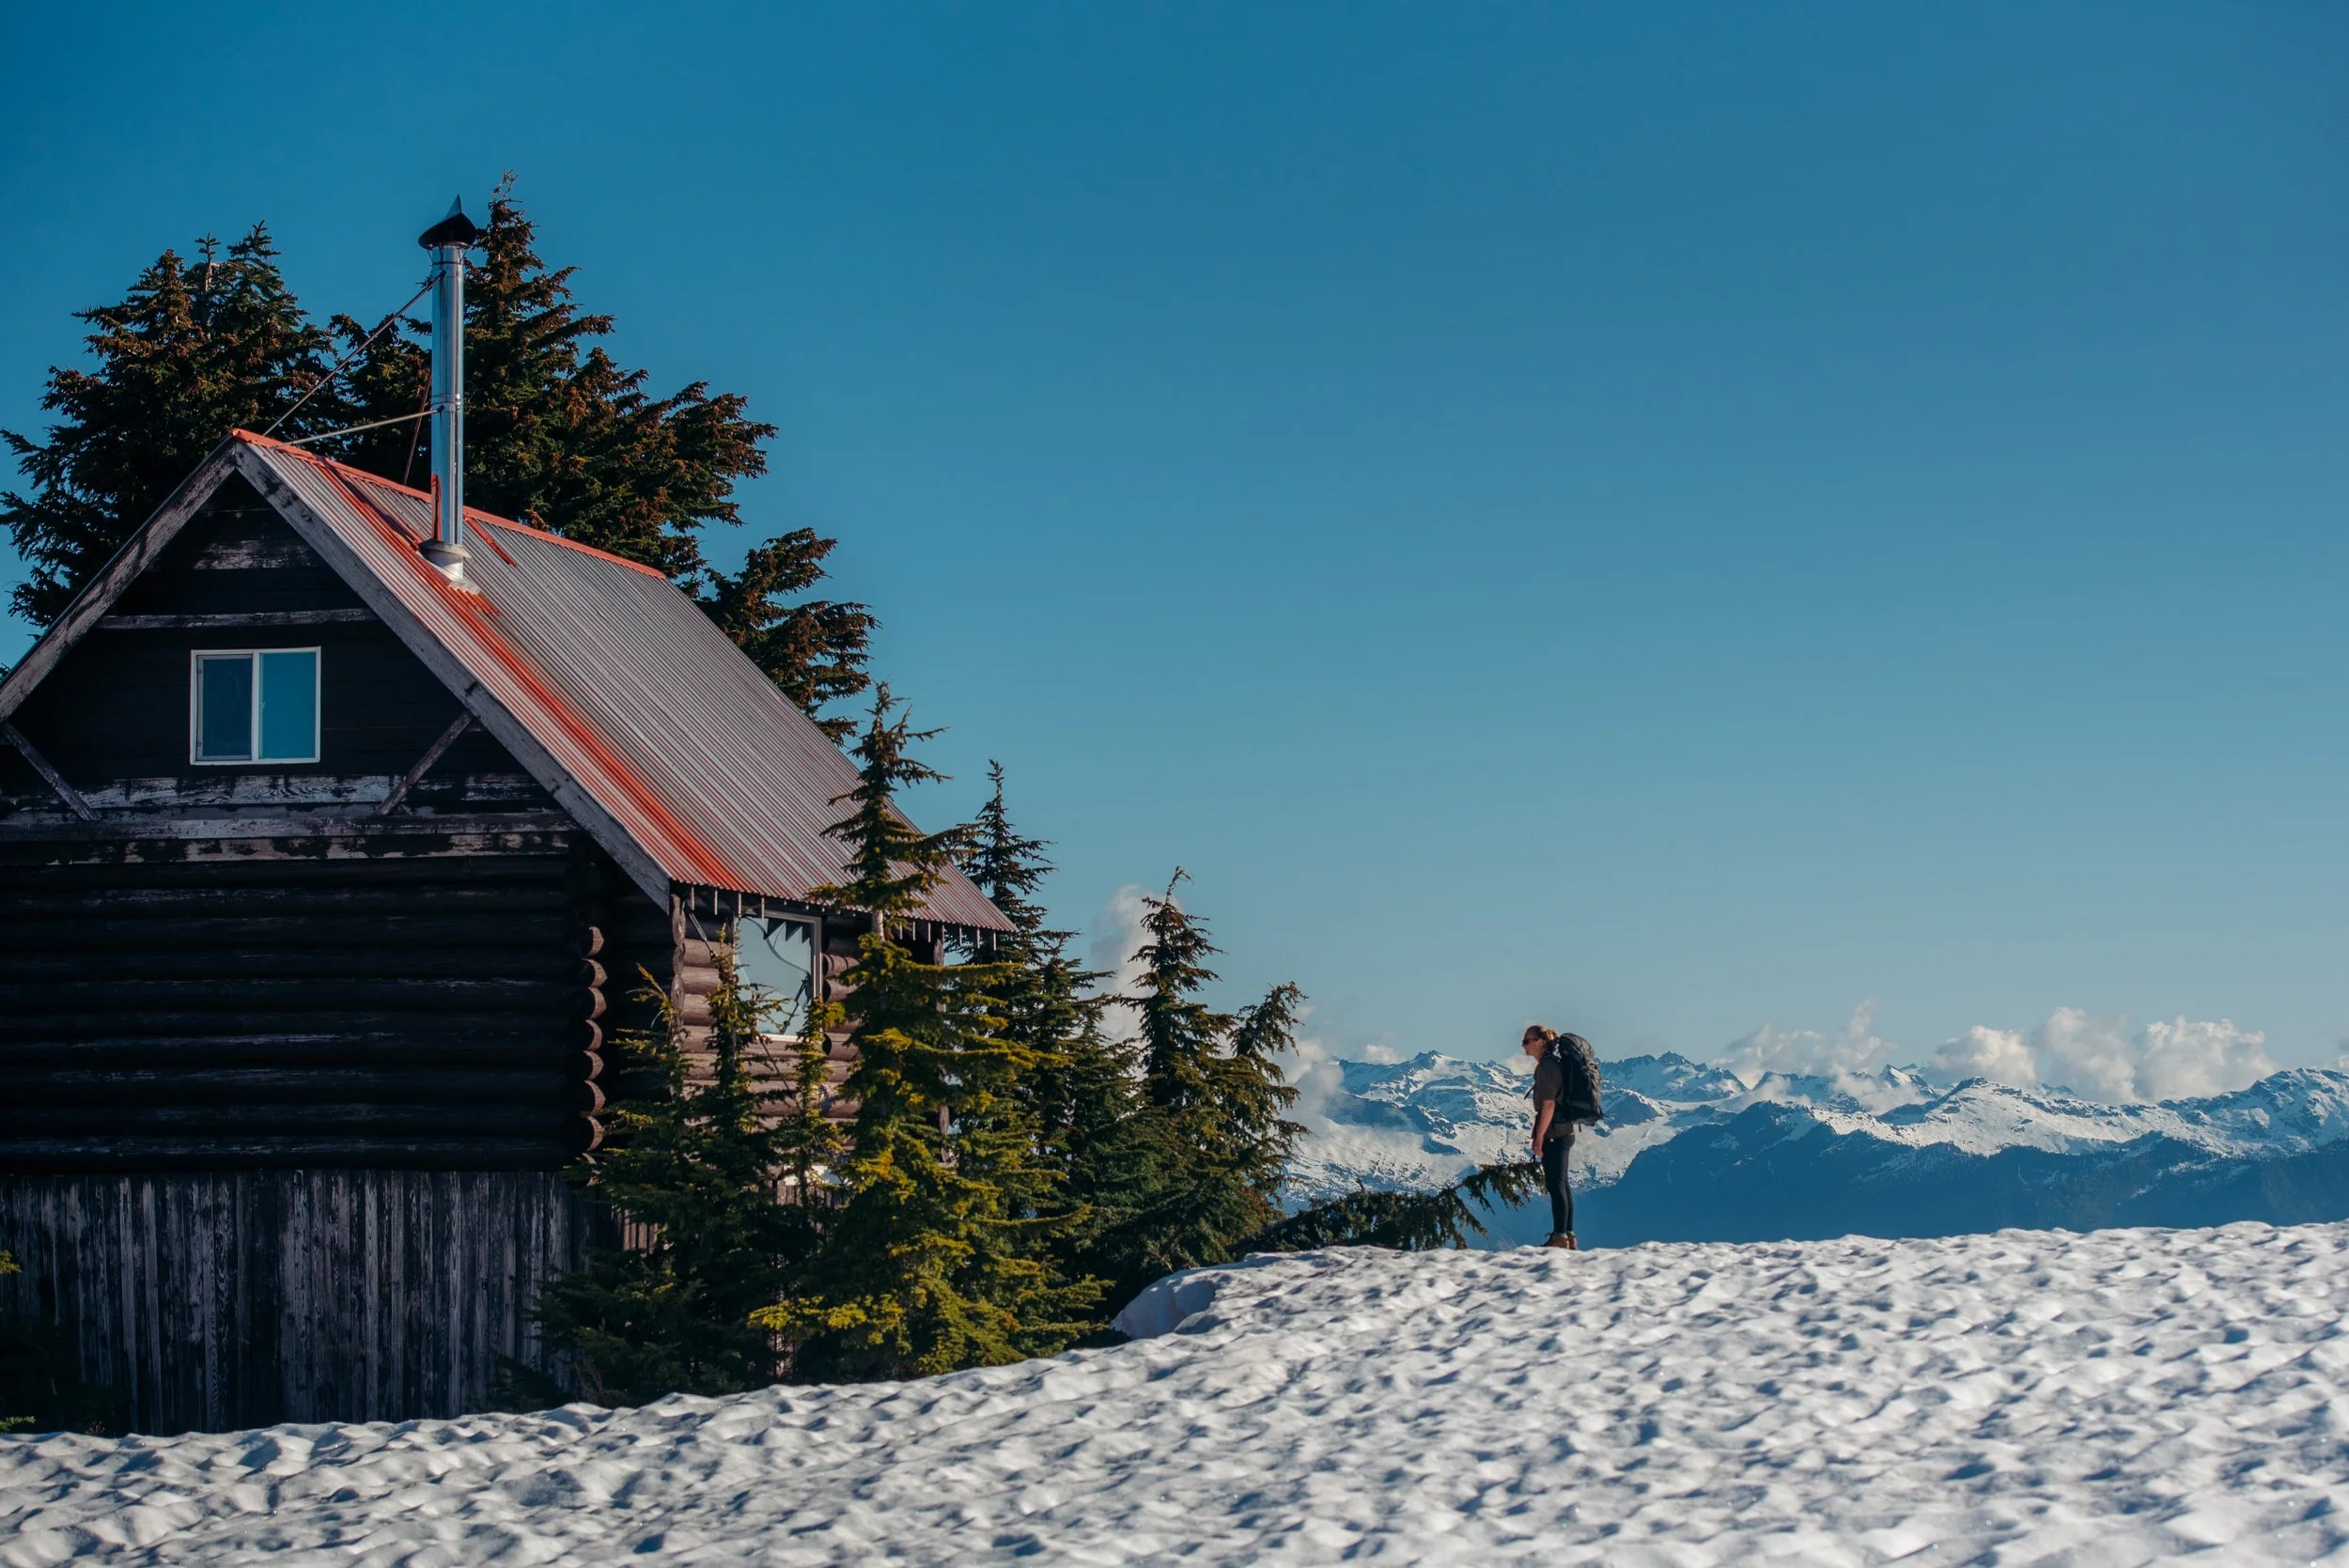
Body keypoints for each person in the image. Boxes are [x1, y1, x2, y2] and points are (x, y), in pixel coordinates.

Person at [1523, 1024, 1599, 1250]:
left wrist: (1539, 1137)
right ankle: (1568, 1234)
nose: (1523, 1045)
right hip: (1565, 1130)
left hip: (1554, 1132)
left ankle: (1559, 1236)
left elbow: (1548, 1104)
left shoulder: (1547, 1067)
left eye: (1527, 1040)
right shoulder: (1554, 1064)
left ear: (1539, 1041)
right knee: (1562, 1184)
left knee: (1556, 1185)